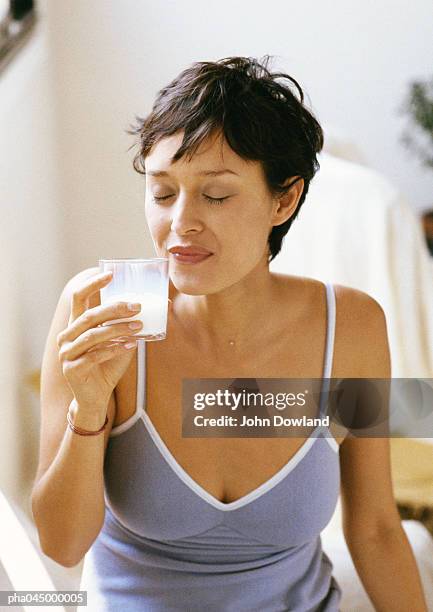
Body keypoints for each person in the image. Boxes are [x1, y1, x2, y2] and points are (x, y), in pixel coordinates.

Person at [31, 56, 428, 611]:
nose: (181, 223)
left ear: (283, 199)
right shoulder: (102, 310)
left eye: (216, 195)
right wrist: (90, 412)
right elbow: (62, 546)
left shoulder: (353, 327)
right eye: (163, 192)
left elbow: (378, 529)